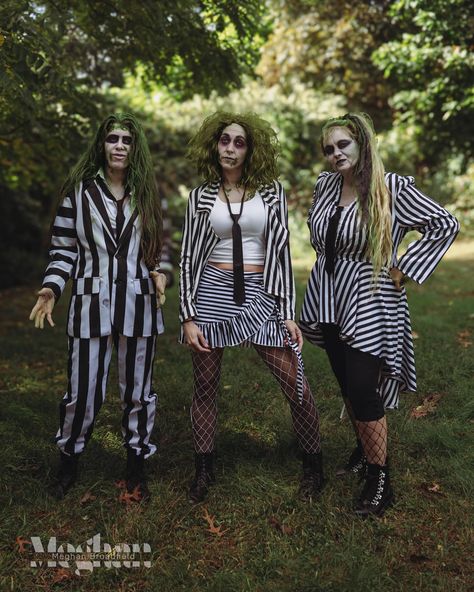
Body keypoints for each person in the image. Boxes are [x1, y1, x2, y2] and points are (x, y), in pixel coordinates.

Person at [299, 112, 459, 517]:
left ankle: (379, 478)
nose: (336, 154)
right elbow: (321, 237)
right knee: (347, 383)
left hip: (371, 299)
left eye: (343, 145)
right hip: (329, 296)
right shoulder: (325, 186)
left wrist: (404, 267)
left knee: (363, 385)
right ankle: (365, 447)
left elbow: (444, 223)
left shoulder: (390, 188)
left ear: (362, 144)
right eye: (329, 149)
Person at [179, 111, 323, 503]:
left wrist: (287, 311)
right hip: (212, 294)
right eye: (225, 140)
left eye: (239, 142)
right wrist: (188, 317)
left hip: (261, 294)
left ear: (250, 150)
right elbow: (189, 259)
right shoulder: (201, 196)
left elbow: (281, 254)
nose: (230, 148)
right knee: (205, 385)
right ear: (215, 144)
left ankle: (314, 465)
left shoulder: (271, 192)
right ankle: (203, 469)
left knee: (295, 382)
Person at [29, 113, 167, 501]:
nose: (120, 145)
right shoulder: (80, 192)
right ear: (102, 145)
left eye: (127, 139)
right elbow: (63, 250)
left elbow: (162, 248)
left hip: (139, 306)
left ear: (135, 147)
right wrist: (52, 288)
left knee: (139, 392)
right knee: (82, 392)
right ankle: (68, 461)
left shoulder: (148, 194)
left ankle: (136, 465)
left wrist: (161, 273)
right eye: (112, 139)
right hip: (90, 306)